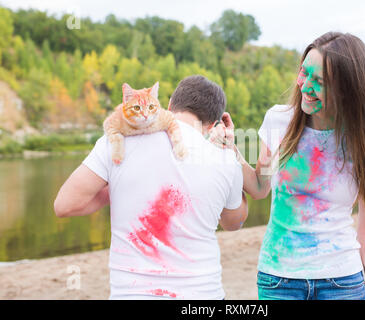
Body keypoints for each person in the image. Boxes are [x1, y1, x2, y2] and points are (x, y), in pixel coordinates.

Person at [221, 32, 365, 300]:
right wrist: (231, 148)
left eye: (319, 81)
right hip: (279, 280)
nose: (304, 85)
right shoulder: (279, 121)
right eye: (304, 73)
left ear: (346, 90)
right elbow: (259, 186)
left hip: (343, 282)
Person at [54, 75, 248, 300]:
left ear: (168, 106)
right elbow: (233, 222)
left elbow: (64, 205)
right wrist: (235, 172)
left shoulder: (116, 141)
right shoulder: (224, 160)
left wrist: (118, 183)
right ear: (213, 125)